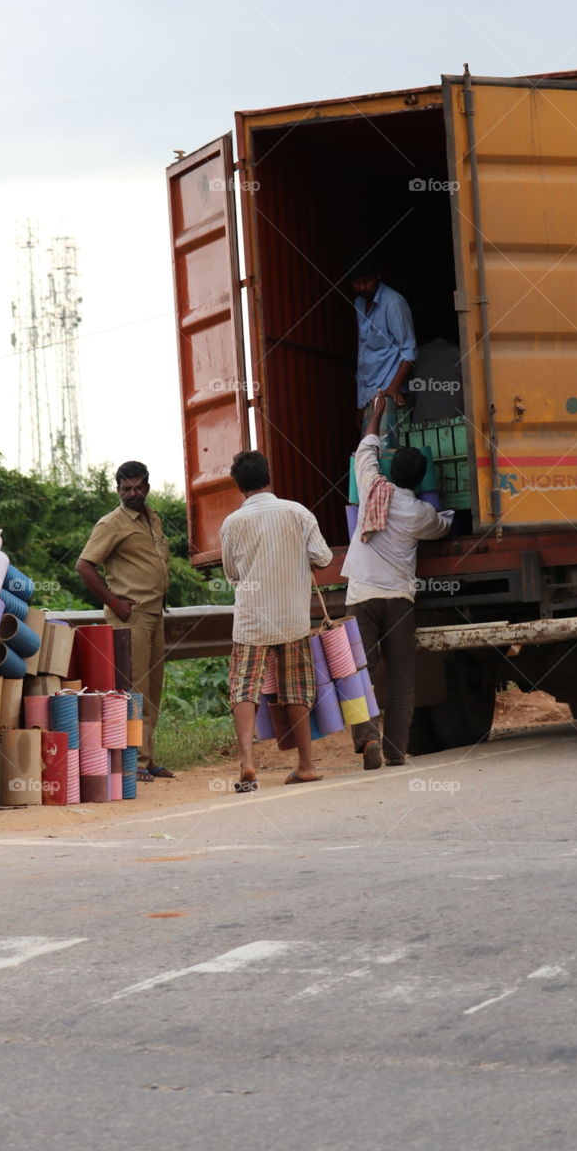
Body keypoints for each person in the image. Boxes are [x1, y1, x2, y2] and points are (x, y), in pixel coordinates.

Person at [342, 393, 454, 768]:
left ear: (391, 472)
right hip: (398, 599)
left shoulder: (372, 485)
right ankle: (395, 748)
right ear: (421, 480)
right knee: (402, 675)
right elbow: (442, 526)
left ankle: (367, 736)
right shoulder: (420, 512)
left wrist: (377, 413)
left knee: (361, 670)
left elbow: (366, 447)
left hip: (360, 594)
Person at [221, 450, 333, 792]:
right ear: (269, 477)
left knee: (244, 687)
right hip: (292, 618)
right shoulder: (298, 513)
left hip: (252, 620)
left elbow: (232, 573)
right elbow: (323, 557)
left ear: (239, 485)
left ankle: (247, 762)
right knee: (296, 688)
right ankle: (306, 764)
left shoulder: (232, 523)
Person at [76, 460, 173, 781]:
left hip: (155, 613)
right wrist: (114, 602)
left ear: (147, 486)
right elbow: (84, 566)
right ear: (117, 490)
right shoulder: (111, 523)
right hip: (130, 616)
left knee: (153, 689)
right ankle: (132, 763)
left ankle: (148, 757)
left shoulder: (152, 517)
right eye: (125, 488)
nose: (132, 493)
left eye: (138, 487)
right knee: (133, 689)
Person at [348, 251, 417, 449]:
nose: (362, 287)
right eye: (357, 282)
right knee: (370, 454)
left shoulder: (394, 303)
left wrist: (393, 388)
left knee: (384, 455)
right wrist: (361, 403)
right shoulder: (359, 303)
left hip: (390, 395)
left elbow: (409, 350)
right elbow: (364, 355)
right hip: (370, 396)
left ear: (378, 276)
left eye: (366, 281)